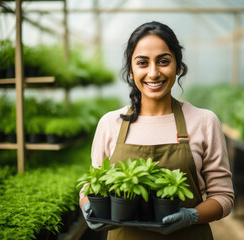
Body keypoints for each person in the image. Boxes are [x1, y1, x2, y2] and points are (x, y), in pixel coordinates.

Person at [79, 21, 234, 240]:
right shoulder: (110, 123)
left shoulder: (204, 121)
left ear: (178, 66)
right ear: (131, 71)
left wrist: (191, 216)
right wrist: (87, 206)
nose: (153, 73)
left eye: (163, 61)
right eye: (142, 63)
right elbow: (90, 186)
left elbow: (224, 197)